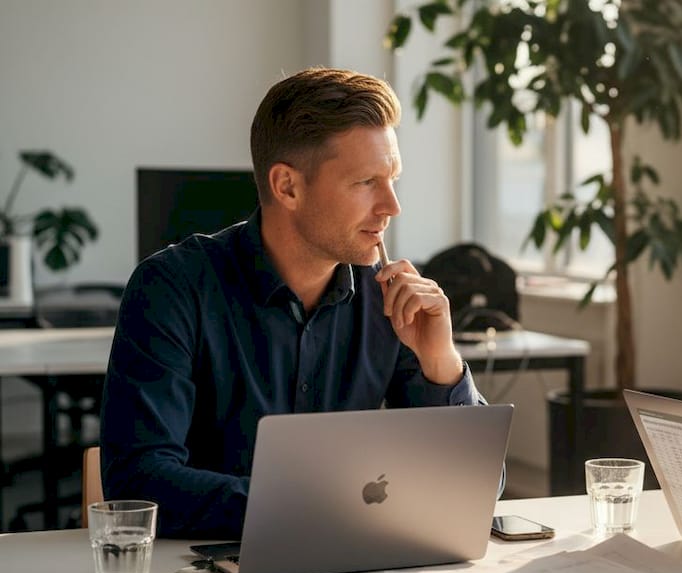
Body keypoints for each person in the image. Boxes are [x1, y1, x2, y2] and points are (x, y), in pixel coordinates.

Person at [101, 67, 492, 538]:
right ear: (287, 186)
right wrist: (319, 507)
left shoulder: (389, 299)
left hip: (350, 563)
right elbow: (137, 482)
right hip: (199, 567)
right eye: (366, 182)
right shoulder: (170, 288)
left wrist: (441, 362)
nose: (392, 206)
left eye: (392, 179)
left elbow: (477, 487)